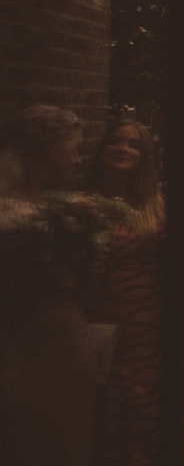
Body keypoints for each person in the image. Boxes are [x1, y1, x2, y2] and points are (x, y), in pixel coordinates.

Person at [0, 106, 97, 466]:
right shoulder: (13, 209)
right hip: (27, 346)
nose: (76, 158)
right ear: (47, 148)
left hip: (61, 345)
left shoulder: (54, 204)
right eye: (71, 148)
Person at [86, 120, 166, 466]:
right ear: (103, 150)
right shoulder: (84, 203)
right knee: (100, 406)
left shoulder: (156, 205)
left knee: (140, 404)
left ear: (143, 155)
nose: (123, 149)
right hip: (94, 316)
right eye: (116, 142)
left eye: (132, 144)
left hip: (142, 322)